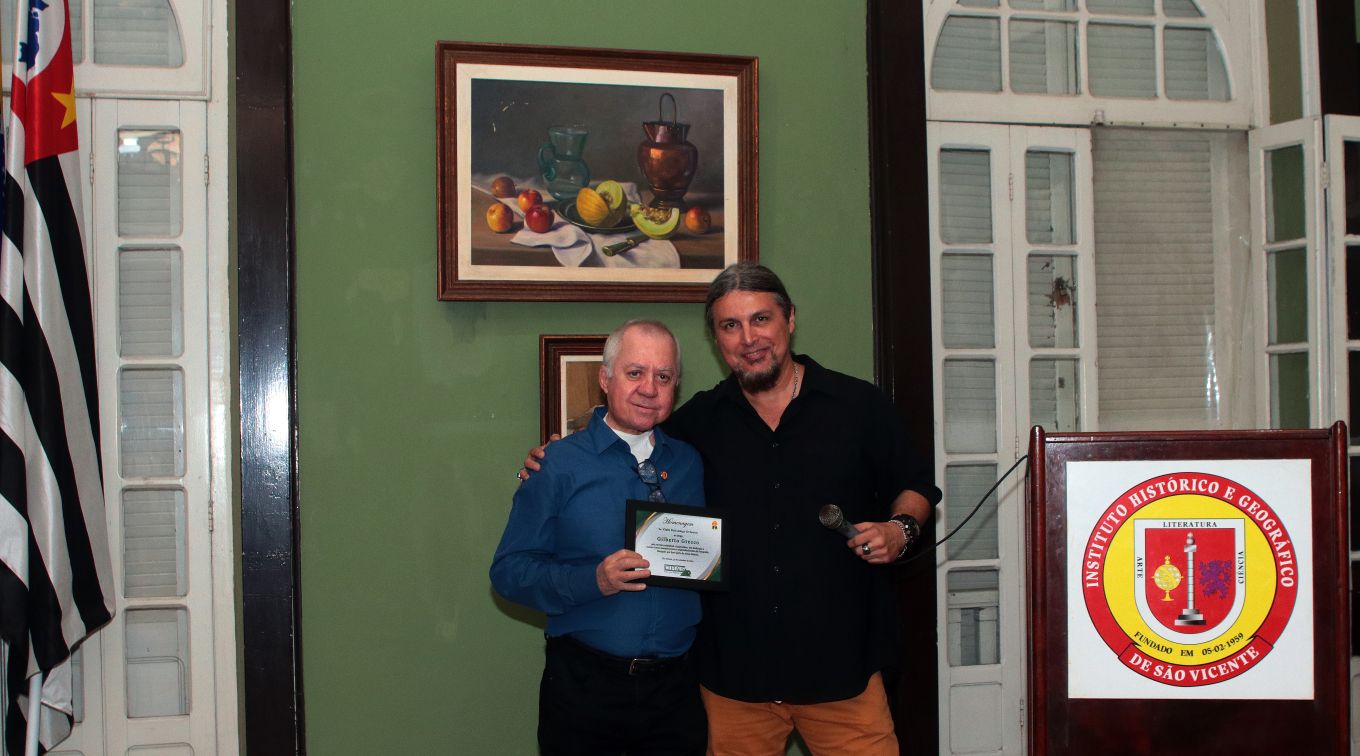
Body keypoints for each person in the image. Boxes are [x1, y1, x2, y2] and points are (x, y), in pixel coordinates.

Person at [524, 262, 941, 756]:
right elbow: (626, 438)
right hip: (733, 684)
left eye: (760, 319)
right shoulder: (694, 424)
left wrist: (901, 529)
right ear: (716, 338)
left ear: (789, 319)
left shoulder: (859, 406)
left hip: (842, 673)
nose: (749, 338)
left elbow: (916, 484)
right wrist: (556, 457)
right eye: (730, 325)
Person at [492, 319, 707, 756]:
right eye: (635, 372)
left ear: (676, 387)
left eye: (663, 376)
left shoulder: (690, 462)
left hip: (676, 693)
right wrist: (594, 580)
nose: (649, 388)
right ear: (605, 379)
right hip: (585, 688)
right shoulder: (556, 465)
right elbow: (509, 572)